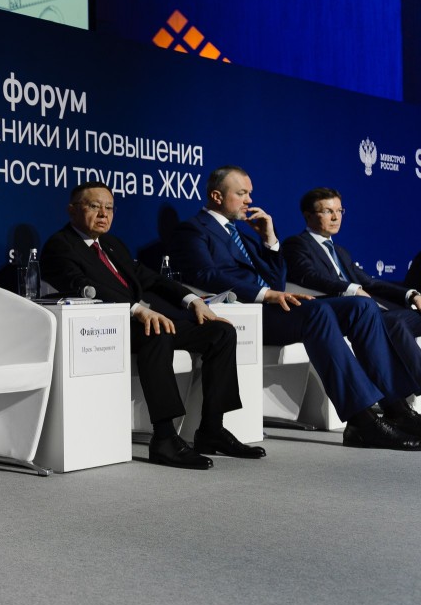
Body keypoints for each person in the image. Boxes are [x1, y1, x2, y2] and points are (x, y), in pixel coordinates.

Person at [170, 165, 421, 450]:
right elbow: (204, 275)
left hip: (271, 307)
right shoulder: (193, 230)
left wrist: (269, 240)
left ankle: (395, 408)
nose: (249, 200)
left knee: (361, 307)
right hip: (244, 313)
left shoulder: (245, 235)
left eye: (250, 193)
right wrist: (265, 294)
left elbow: (277, 281)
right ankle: (362, 421)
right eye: (241, 194)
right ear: (217, 196)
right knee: (317, 312)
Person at [41, 181, 261, 469]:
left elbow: (152, 279)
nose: (104, 214)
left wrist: (192, 300)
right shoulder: (59, 246)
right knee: (157, 333)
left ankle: (212, 429)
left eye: (109, 207)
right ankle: (165, 438)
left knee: (221, 332)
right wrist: (136, 310)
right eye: (95, 206)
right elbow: (82, 286)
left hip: (136, 323)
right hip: (100, 329)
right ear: (72, 210)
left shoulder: (112, 245)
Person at [281, 187, 421, 355]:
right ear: (308, 215)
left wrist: (411, 295)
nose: (335, 217)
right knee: (396, 323)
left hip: (373, 310)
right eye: (328, 211)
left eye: (339, 211)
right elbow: (309, 276)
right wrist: (351, 289)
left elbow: (370, 282)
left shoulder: (340, 251)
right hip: (344, 313)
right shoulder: (296, 244)